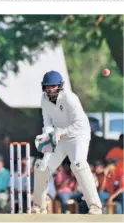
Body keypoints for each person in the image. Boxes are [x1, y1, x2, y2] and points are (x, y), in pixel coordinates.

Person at [32, 70, 102, 214]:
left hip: (78, 135)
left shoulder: (70, 98)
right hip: (58, 137)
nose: (50, 89)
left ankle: (95, 206)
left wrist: (61, 132)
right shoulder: (44, 99)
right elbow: (47, 121)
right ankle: (39, 206)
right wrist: (47, 135)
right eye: (47, 86)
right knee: (41, 166)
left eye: (53, 86)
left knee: (78, 164)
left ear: (60, 86)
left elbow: (80, 123)